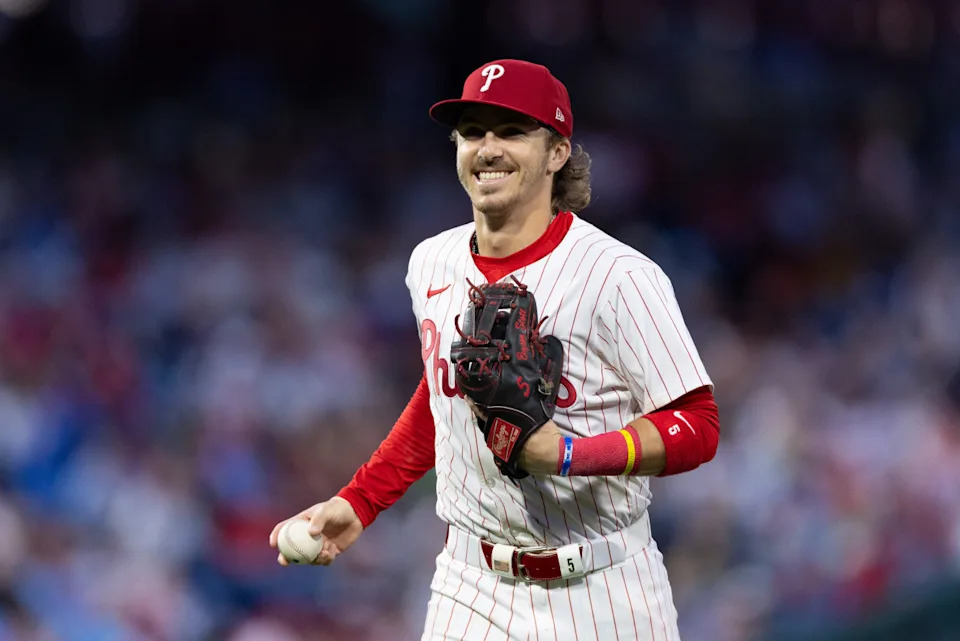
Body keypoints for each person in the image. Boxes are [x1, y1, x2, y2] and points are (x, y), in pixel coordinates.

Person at [269, 59, 720, 641]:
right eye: (473, 131)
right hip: (472, 586)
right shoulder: (430, 262)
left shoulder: (619, 276)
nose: (488, 148)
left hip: (604, 586)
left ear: (558, 152)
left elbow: (697, 425)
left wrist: (569, 456)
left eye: (511, 131)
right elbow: (444, 399)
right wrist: (359, 502)